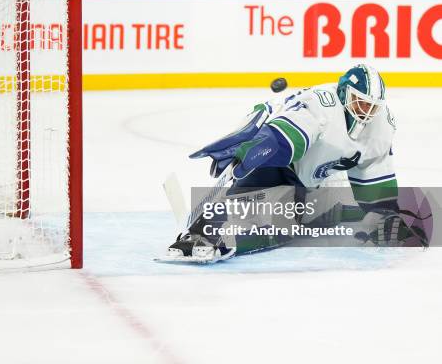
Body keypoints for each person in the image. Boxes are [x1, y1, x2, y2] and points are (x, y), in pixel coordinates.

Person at [162, 64, 408, 262]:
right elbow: (287, 138)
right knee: (243, 201)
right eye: (360, 102)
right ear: (344, 93)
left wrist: (384, 213)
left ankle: (228, 236)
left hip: (312, 178)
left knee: (292, 222)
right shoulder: (322, 104)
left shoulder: (382, 124)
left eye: (372, 105)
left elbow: (375, 170)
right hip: (280, 161)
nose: (366, 110)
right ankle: (200, 232)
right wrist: (256, 148)